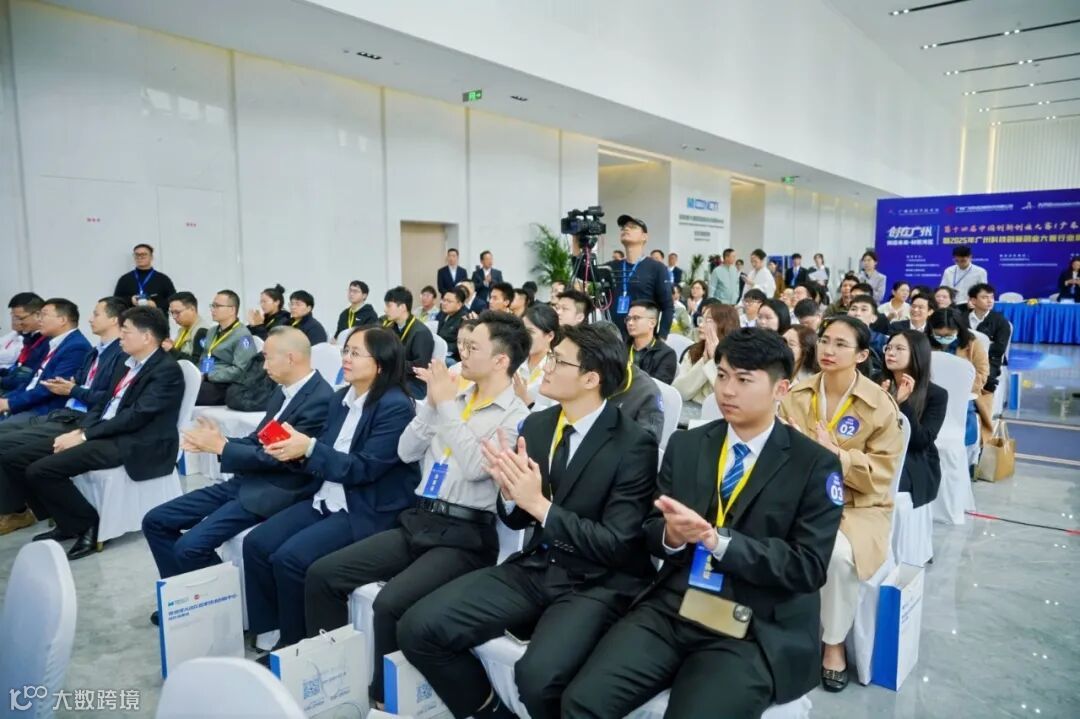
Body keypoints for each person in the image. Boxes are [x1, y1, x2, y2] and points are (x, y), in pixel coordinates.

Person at [563, 328, 844, 718]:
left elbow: (807, 566)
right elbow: (650, 529)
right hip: (677, 605)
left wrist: (719, 542)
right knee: (582, 702)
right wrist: (671, 536)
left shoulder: (814, 465)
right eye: (723, 375)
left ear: (781, 389)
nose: (727, 390)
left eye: (744, 380)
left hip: (753, 623)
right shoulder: (688, 445)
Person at [397, 323, 658, 719]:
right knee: (418, 628)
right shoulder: (539, 424)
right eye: (550, 357)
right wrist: (508, 492)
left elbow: (616, 544)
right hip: (539, 565)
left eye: (558, 361)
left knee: (537, 679)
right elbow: (519, 517)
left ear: (591, 379)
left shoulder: (633, 444)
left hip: (597, 581)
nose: (545, 367)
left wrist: (540, 506)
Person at [304, 312, 531, 707]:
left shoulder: (517, 417)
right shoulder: (453, 398)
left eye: (472, 347)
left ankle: (384, 702)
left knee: (391, 603)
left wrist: (445, 407)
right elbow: (406, 451)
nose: (462, 354)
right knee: (323, 574)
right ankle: (331, 686)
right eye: (462, 345)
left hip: (465, 536)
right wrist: (433, 405)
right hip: (420, 519)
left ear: (500, 360)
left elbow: (477, 468)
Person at [243, 327, 420, 650]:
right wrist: (293, 451)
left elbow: (364, 468)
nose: (346, 359)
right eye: (345, 351)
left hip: (363, 506)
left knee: (290, 558)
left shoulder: (395, 406)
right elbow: (323, 451)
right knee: (257, 543)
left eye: (355, 353)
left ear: (380, 363)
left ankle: (298, 645)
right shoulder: (340, 399)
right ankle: (270, 630)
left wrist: (309, 448)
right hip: (326, 496)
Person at [142, 327, 334, 616]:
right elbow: (260, 440)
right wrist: (223, 442)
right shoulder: (283, 392)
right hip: (248, 480)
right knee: (155, 520)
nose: (264, 366)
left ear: (291, 358)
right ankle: (186, 599)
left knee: (189, 547)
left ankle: (221, 610)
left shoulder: (320, 399)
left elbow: (280, 458)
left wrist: (222, 447)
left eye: (267, 358)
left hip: (277, 490)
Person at [779, 315, 903, 692]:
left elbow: (882, 474)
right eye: (824, 340)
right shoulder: (796, 394)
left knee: (836, 556)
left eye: (840, 344)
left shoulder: (879, 404)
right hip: (798, 498)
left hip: (857, 506)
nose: (828, 350)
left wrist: (836, 456)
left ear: (862, 355)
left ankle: (832, 643)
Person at [1, 306, 185, 559]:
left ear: (146, 337)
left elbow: (136, 417)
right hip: (106, 431)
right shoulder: (126, 363)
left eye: (126, 331)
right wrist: (83, 429)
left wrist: (85, 436)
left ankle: (88, 524)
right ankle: (65, 520)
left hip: (136, 441)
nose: (121, 336)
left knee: (41, 470)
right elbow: (103, 403)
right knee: (13, 459)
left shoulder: (166, 370)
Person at [0, 297, 126, 536]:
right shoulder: (96, 351)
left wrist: (73, 390)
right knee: (13, 453)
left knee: (13, 453)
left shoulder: (115, 353)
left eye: (96, 314)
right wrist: (73, 387)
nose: (90, 318)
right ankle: (51, 515)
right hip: (64, 413)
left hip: (77, 418)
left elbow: (110, 398)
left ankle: (21, 513)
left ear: (113, 319)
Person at [882, 330, 946, 511]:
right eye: (889, 348)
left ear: (917, 354)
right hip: (876, 450)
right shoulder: (878, 383)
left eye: (899, 349)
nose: (891, 353)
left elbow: (921, 441)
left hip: (913, 459)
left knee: (881, 479)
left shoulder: (936, 394)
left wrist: (902, 404)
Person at [0, 299, 91, 420]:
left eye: (44, 315)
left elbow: (50, 388)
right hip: (29, 403)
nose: (39, 320)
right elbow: (32, 381)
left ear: (62, 320)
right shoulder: (55, 342)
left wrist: (10, 403)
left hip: (44, 411)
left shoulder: (77, 347)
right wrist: (8, 399)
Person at [600, 215, 673, 340]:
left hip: (642, 340)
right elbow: (583, 273)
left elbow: (667, 307)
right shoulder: (611, 267)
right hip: (613, 339)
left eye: (632, 227)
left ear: (644, 237)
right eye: (623, 227)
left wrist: (661, 338)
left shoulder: (657, 268)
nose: (626, 229)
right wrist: (577, 238)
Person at [928, 308, 990, 445]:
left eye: (948, 335)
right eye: (938, 335)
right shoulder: (924, 342)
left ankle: (963, 450)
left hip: (963, 396)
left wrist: (959, 389)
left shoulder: (973, 344)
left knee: (965, 427)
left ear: (958, 330)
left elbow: (982, 374)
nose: (943, 339)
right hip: (930, 395)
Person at [193, 291, 257, 406]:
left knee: (187, 393)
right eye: (212, 305)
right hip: (207, 379)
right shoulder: (212, 331)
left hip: (226, 384)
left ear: (232, 310)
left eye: (217, 306)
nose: (212, 309)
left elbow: (241, 370)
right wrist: (199, 374)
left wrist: (209, 375)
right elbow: (204, 357)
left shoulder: (243, 336)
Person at [673, 303, 739, 404]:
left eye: (708, 321)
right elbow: (679, 392)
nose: (700, 325)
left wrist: (714, 361)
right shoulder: (694, 351)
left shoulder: (738, 358)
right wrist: (704, 361)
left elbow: (728, 397)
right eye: (701, 319)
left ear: (725, 325)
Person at [383, 287, 435, 400]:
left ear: (402, 307)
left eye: (388, 306)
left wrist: (391, 364)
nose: (385, 310)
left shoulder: (421, 332)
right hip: (396, 377)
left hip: (414, 383)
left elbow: (420, 365)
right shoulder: (391, 327)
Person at [961, 283, 1011, 398]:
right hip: (963, 358)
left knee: (984, 380)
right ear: (973, 300)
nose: (990, 301)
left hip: (989, 361)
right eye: (984, 297)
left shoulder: (1001, 322)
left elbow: (999, 348)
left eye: (992, 297)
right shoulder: (961, 319)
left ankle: (980, 406)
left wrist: (975, 350)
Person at [514, 303, 559, 411]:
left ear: (550, 336)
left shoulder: (557, 368)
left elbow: (557, 414)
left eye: (530, 332)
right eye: (523, 332)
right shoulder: (516, 361)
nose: (524, 337)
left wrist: (526, 399)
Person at [626, 300, 677, 384]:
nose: (630, 323)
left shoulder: (666, 354)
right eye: (628, 319)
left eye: (636, 318)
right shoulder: (621, 348)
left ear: (652, 323)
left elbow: (658, 387)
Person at [1, 294, 45, 388]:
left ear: (38, 315)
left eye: (20, 318)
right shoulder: (29, 337)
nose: (17, 322)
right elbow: (16, 369)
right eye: (14, 317)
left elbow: (29, 378)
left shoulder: (48, 342)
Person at [113, 243, 176, 308]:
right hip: (131, 314)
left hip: (155, 314)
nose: (140, 257)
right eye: (137, 254)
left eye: (144, 254)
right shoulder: (125, 279)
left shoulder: (163, 279)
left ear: (151, 257)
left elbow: (174, 300)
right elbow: (115, 301)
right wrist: (130, 300)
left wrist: (156, 305)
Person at [163, 292, 211, 364]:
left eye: (177, 312)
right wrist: (173, 346)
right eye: (172, 312)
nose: (174, 317)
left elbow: (197, 363)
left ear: (192, 309)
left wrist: (171, 350)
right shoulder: (183, 329)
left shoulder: (202, 331)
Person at [438, 287, 470, 362]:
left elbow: (461, 344)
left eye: (449, 301)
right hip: (441, 350)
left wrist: (442, 348)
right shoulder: (443, 314)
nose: (444, 303)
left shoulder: (464, 319)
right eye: (444, 300)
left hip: (454, 357)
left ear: (459, 304)